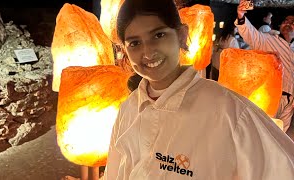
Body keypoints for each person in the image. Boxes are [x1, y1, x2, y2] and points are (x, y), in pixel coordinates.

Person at [103, 0, 294, 179]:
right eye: (134, 43)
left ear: (181, 35)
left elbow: (284, 168)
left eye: (158, 35)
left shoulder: (229, 111)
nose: (148, 52)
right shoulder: (128, 109)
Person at [236, 1, 294, 133]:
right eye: (286, 21)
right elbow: (251, 34)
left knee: (281, 135)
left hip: (290, 101)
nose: (289, 24)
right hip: (272, 96)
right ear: (280, 24)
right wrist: (241, 15)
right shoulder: (269, 40)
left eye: (293, 22)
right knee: (264, 132)